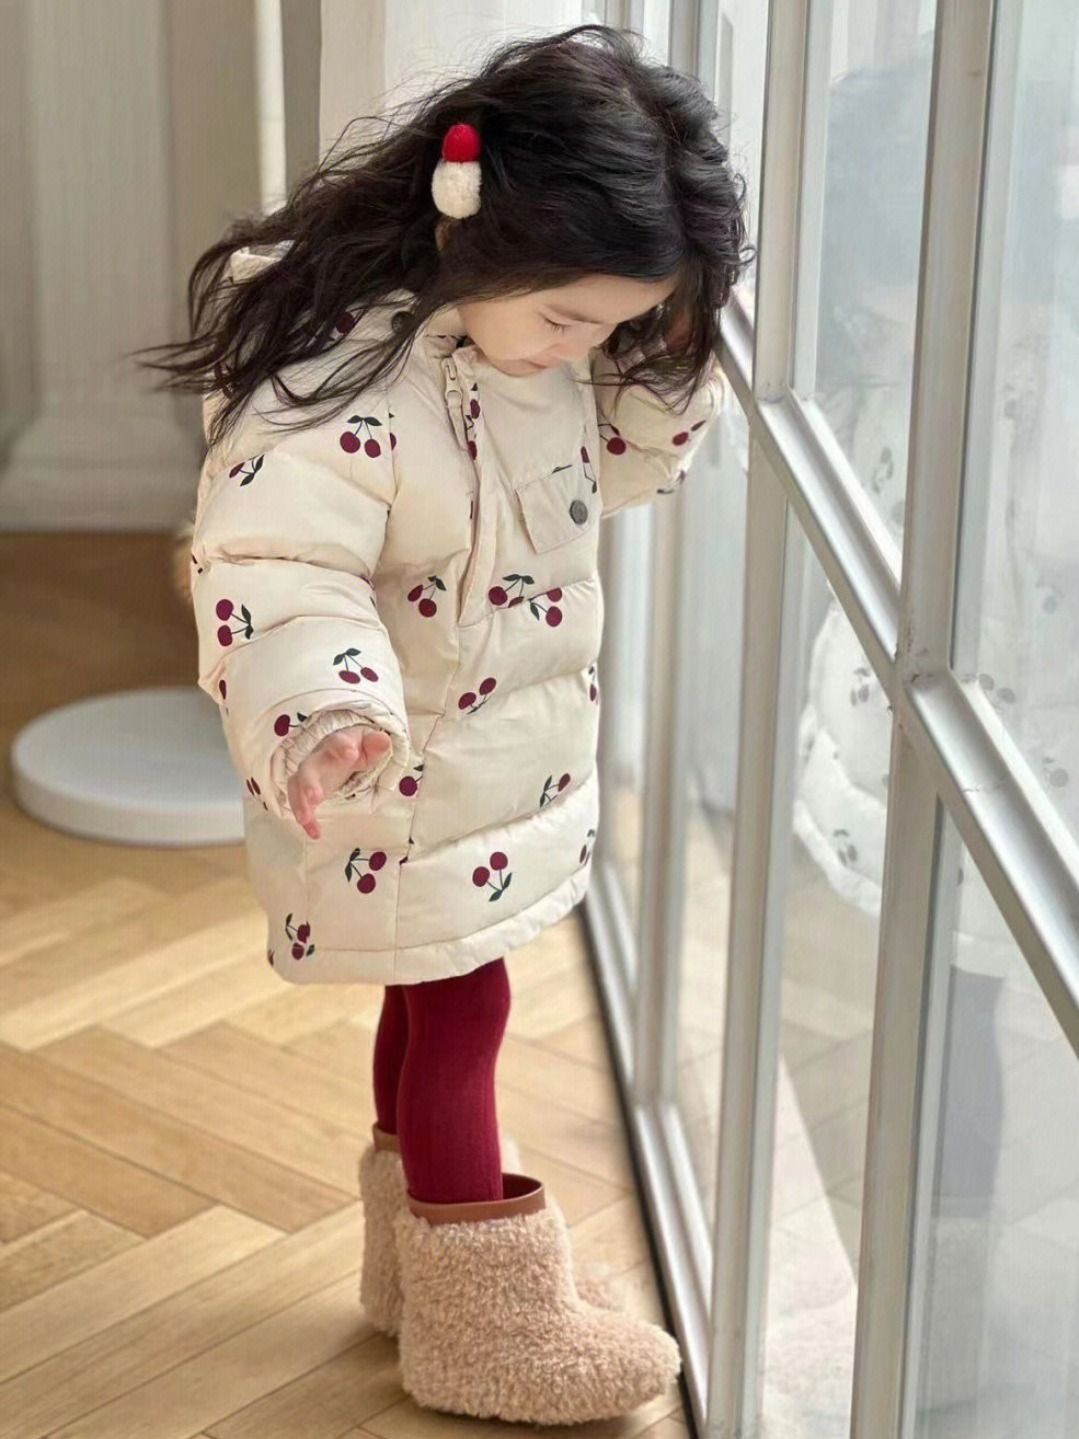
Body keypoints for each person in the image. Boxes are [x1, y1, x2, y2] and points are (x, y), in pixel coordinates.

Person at [138, 22, 750, 1426]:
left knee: (431, 997)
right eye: (571, 320)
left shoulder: (533, 349)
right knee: (465, 1003)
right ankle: (488, 1321)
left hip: (487, 770)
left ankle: (421, 1277)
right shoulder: (344, 386)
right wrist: (324, 710)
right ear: (473, 231)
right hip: (391, 766)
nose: (583, 348)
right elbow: (276, 566)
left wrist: (659, 366)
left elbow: (614, 472)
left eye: (615, 325)